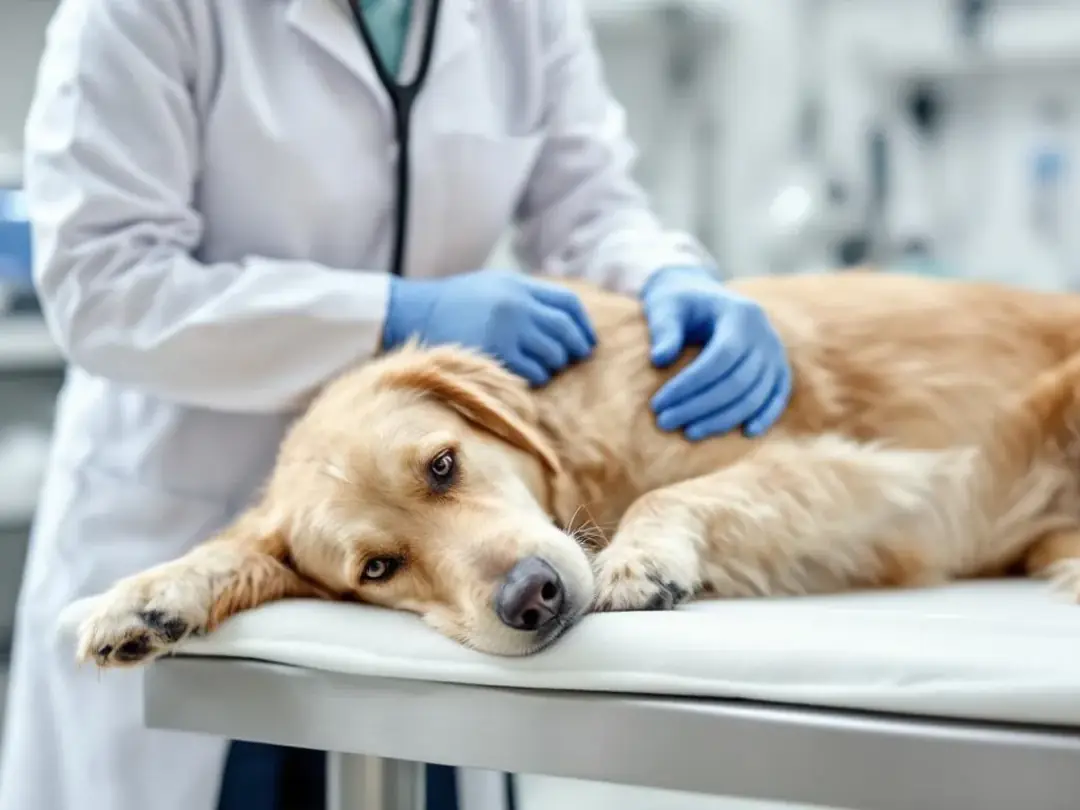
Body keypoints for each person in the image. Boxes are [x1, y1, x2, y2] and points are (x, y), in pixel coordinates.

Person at [0, 0, 791, 808]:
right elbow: (106, 286)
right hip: (190, 514)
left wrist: (666, 274)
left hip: (431, 591)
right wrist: (389, 314)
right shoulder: (142, 14)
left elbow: (587, 203)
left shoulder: (525, 14)